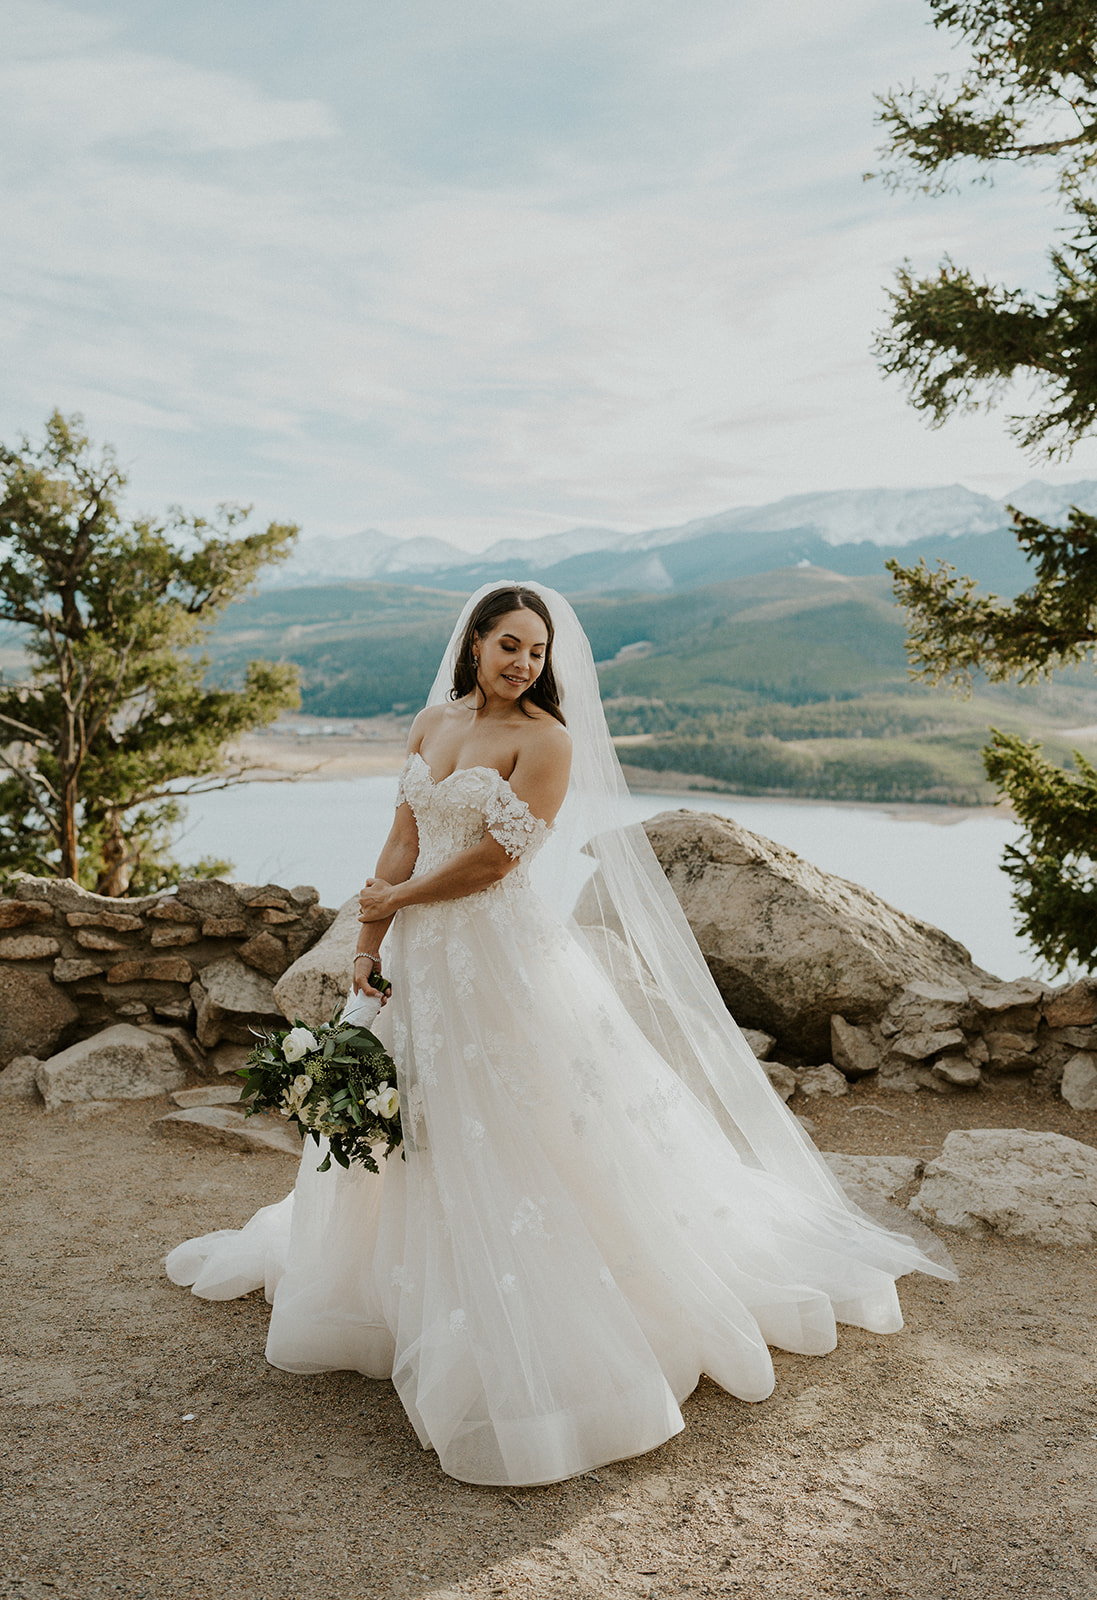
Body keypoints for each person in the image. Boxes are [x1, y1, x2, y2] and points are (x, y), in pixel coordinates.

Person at [167, 581, 954, 1487]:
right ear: (474, 645)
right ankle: (384, 1292)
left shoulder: (546, 743)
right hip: (418, 954)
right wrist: (371, 935)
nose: (522, 663)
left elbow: (494, 861)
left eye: (535, 652)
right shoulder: (430, 724)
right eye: (508, 644)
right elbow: (402, 835)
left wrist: (399, 899)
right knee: (404, 1117)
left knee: (511, 1118)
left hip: (495, 955)